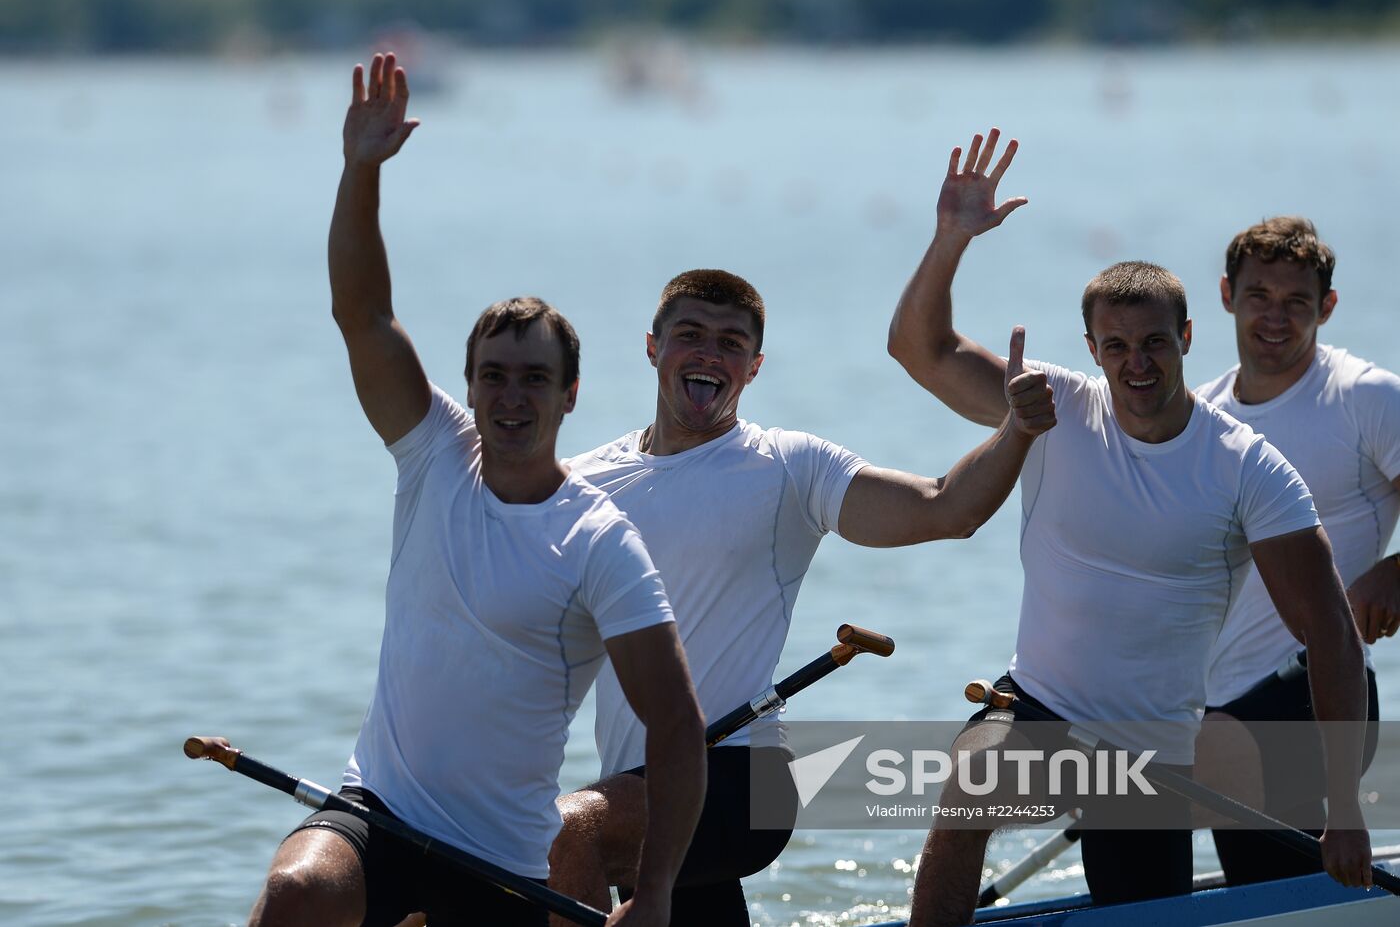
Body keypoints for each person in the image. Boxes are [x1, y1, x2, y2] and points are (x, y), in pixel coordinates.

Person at [246, 54, 706, 927]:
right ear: (468, 386)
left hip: (496, 859)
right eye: (493, 376)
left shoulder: (601, 542)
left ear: (571, 394)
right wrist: (359, 170)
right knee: (298, 890)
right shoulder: (434, 455)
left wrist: (653, 894)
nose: (512, 395)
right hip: (375, 815)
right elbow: (363, 315)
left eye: (535, 379)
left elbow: (677, 728)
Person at [886, 129, 1374, 927]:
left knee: (1146, 910)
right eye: (1115, 347)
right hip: (1039, 712)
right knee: (968, 780)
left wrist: (1345, 807)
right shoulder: (1048, 407)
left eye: (1154, 343)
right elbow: (919, 348)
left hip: (1151, 758)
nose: (1135, 364)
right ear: (1091, 349)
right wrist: (950, 240)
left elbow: (1329, 630)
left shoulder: (1247, 466)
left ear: (1186, 337)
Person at [546, 264, 1057, 925]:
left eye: (731, 342)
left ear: (754, 367)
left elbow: (945, 508)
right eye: (691, 334)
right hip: (641, 780)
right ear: (653, 348)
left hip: (741, 779)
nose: (709, 353)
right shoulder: (583, 483)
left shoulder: (789, 467)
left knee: (567, 833)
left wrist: (1015, 428)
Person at [1196, 216, 1400, 885]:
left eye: (1297, 303)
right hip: (1220, 701)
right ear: (1227, 294)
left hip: (1326, 690)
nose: (1275, 318)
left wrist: (1396, 570)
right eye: (1259, 297)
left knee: (1217, 746)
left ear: (1328, 307)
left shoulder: (1365, 397)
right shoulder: (1203, 415)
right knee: (1264, 891)